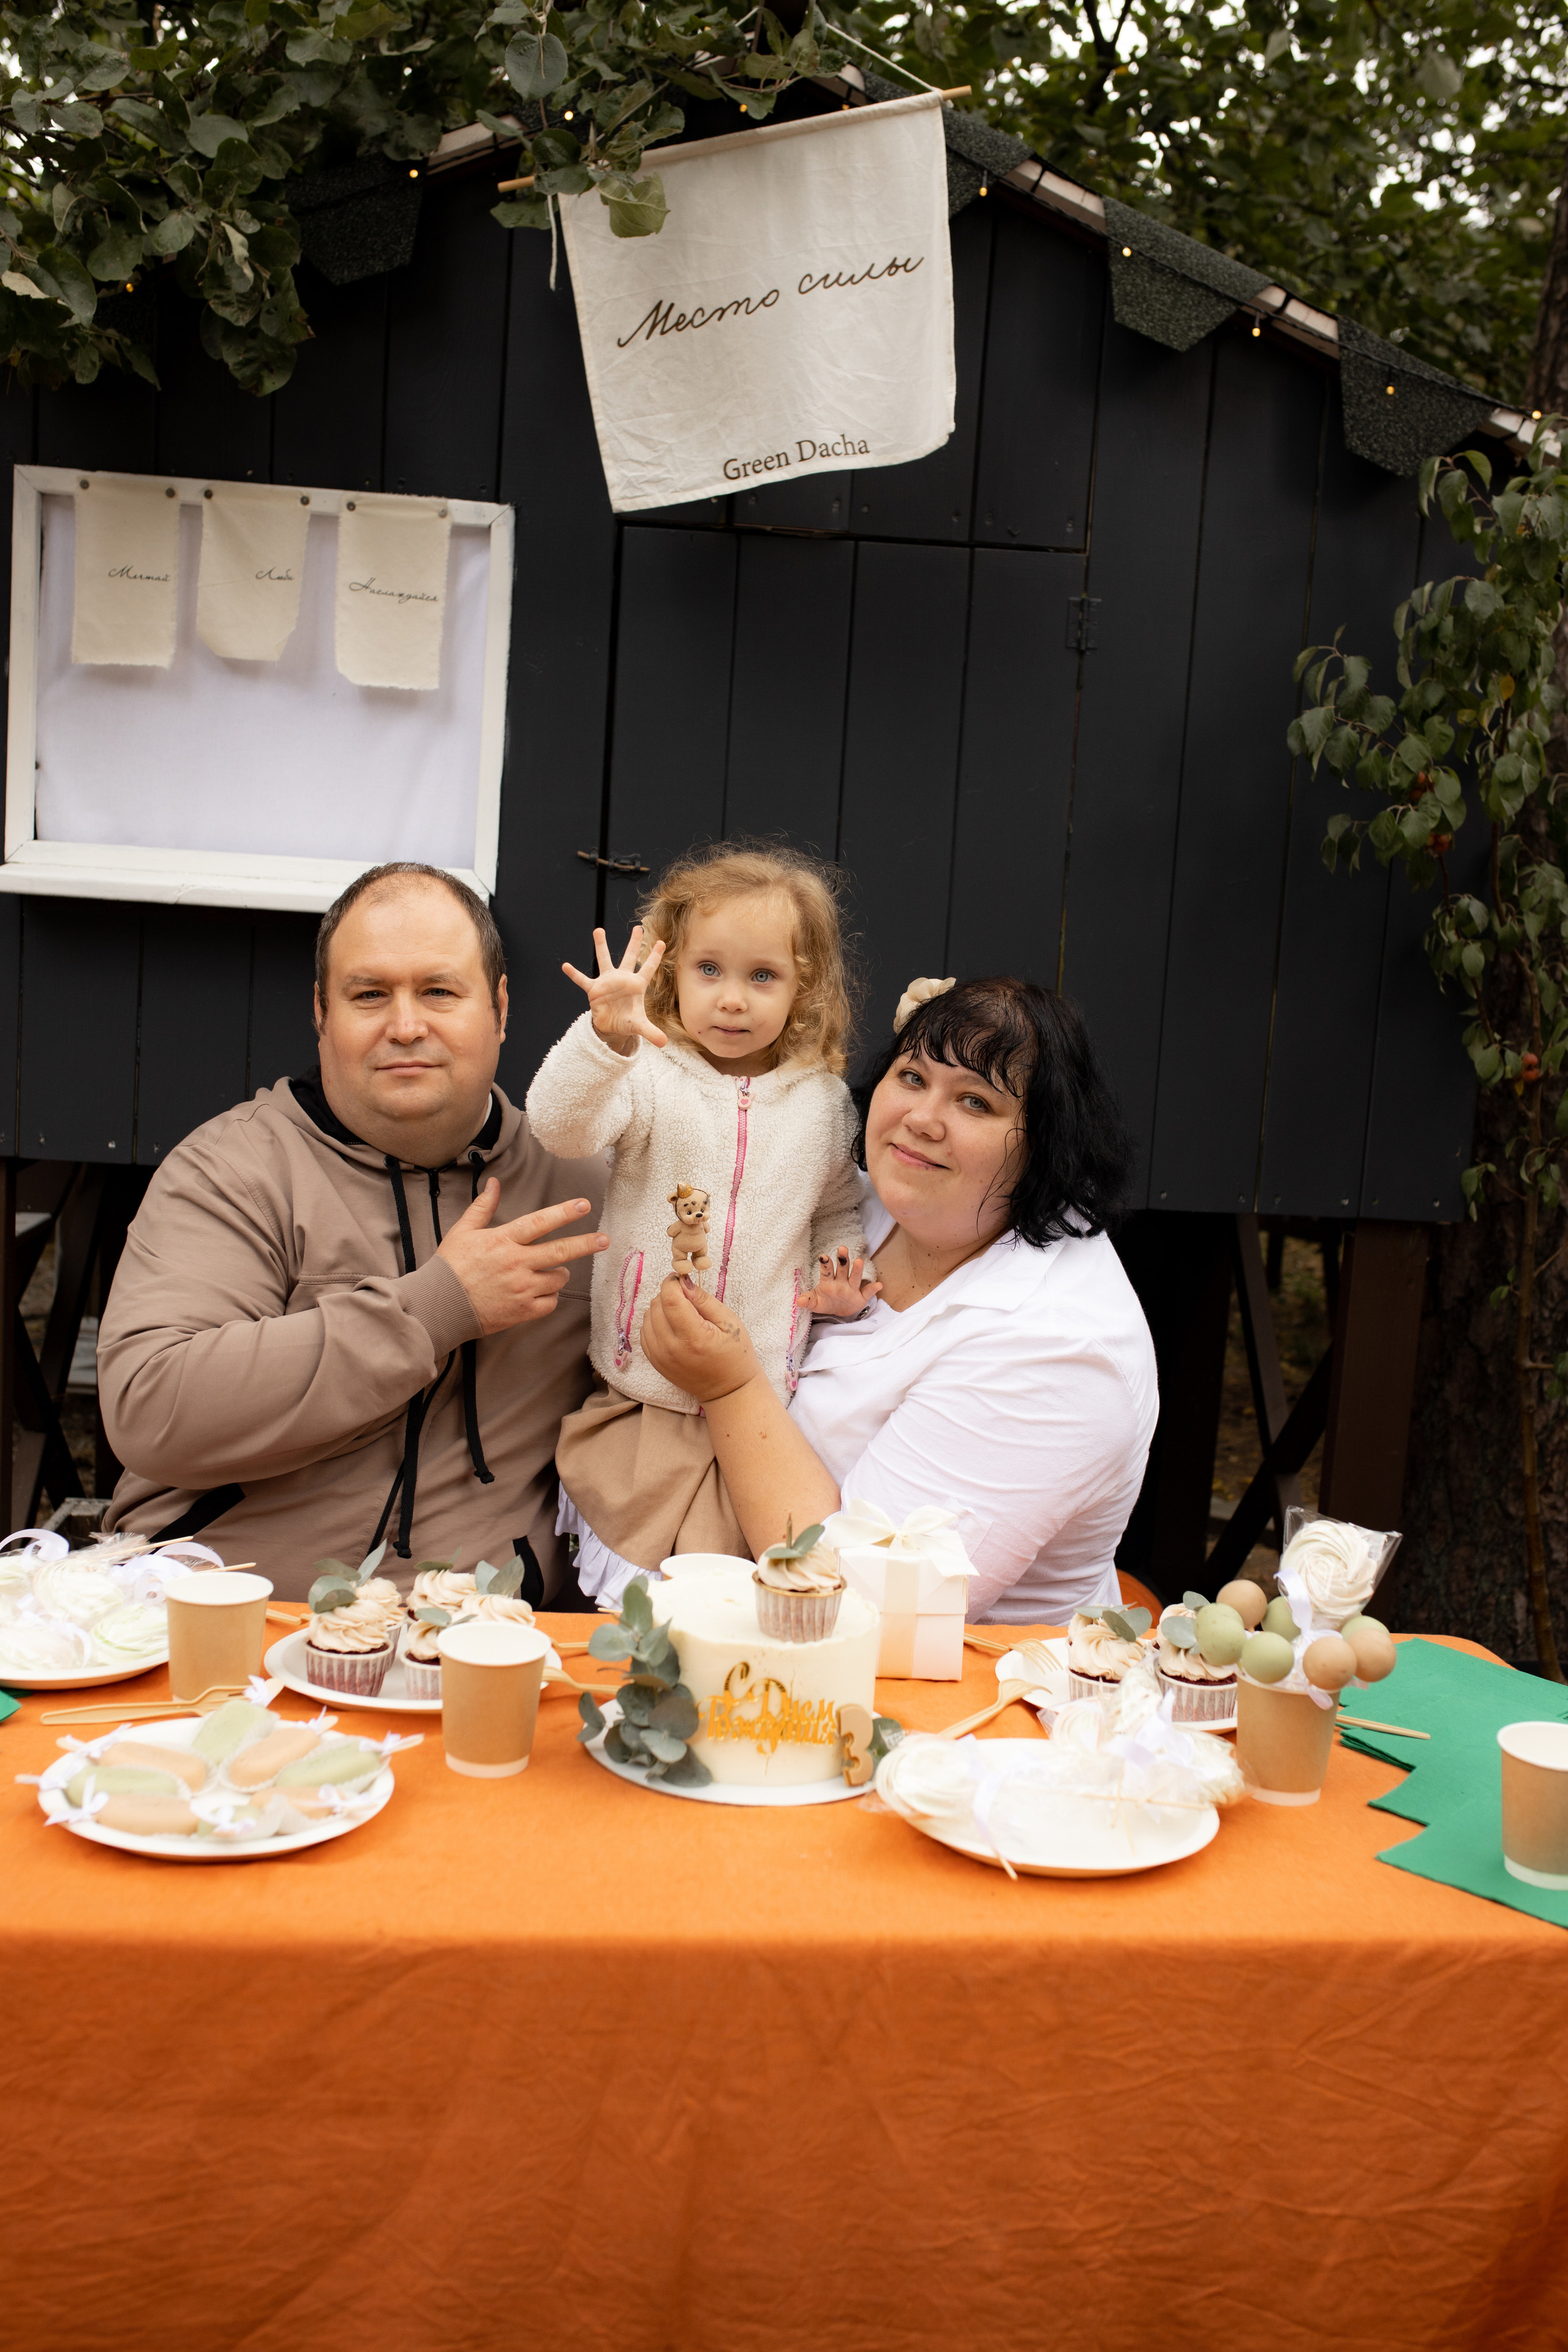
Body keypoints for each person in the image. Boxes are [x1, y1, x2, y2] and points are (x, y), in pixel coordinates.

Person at [97, 862, 609, 1602]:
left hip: (484, 1644)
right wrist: (431, 1309)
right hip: (237, 1615)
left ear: (499, 1008)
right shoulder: (233, 1171)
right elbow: (152, 1409)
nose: (405, 1026)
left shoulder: (582, 1188)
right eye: (370, 994)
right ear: (322, 1012)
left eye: (438, 991)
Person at [639, 974, 1159, 1624]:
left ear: (1047, 1143)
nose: (920, 1119)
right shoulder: (877, 1201)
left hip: (954, 1699)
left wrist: (728, 1388)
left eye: (975, 1102)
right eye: (912, 1078)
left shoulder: (1057, 1350)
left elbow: (860, 1604)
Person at [525, 843, 876, 1602]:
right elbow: (560, 1129)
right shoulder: (648, 1076)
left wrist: (841, 1269)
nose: (731, 999)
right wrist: (607, 1039)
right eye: (708, 970)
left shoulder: (821, 1104)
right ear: (670, 971)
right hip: (641, 1397)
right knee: (631, 1605)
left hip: (757, 1409)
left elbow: (834, 1207)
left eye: (762, 976)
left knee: (729, 1607)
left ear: (802, 987)